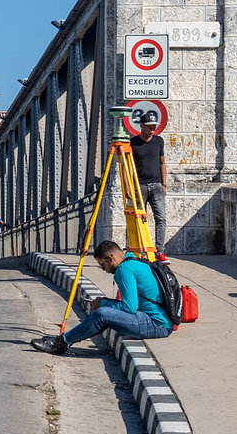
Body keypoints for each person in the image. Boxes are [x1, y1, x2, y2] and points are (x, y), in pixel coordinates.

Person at [30, 240, 173, 354]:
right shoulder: (136, 262)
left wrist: (102, 304)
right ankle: (64, 340)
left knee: (102, 314)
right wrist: (105, 303)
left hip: (156, 324)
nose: (103, 269)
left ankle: (60, 344)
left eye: (102, 265)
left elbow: (129, 307)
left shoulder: (124, 270)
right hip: (156, 320)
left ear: (110, 258)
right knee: (105, 313)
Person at [130, 117, 167, 252]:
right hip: (140, 186)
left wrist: (164, 184)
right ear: (141, 125)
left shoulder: (159, 141)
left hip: (157, 185)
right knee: (139, 218)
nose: (152, 130)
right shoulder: (133, 142)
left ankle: (160, 250)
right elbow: (128, 166)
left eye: (154, 127)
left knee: (161, 217)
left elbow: (162, 163)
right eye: (149, 127)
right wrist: (129, 186)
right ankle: (140, 248)